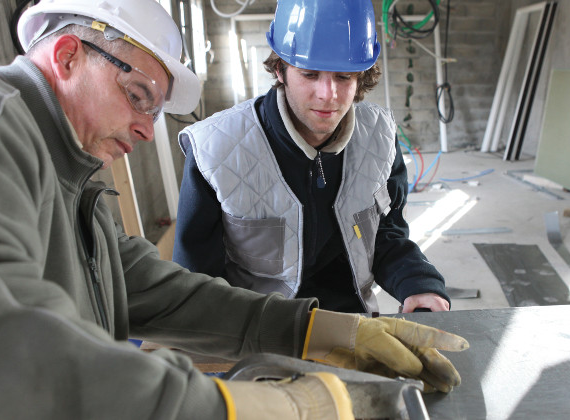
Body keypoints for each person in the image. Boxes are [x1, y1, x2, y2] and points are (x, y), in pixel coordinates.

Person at [0, 0, 468, 418]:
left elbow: (161, 293)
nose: (147, 129)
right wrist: (236, 407)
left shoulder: (78, 192)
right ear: (68, 55)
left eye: (345, 78)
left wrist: (314, 330)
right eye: (138, 94)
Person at [173, 0, 451, 314]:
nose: (327, 94)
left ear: (361, 76)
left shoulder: (380, 138)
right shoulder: (215, 149)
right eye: (309, 74)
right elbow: (197, 281)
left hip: (350, 318)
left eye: (344, 77)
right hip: (257, 325)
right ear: (280, 69)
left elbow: (386, 234)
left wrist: (419, 284)